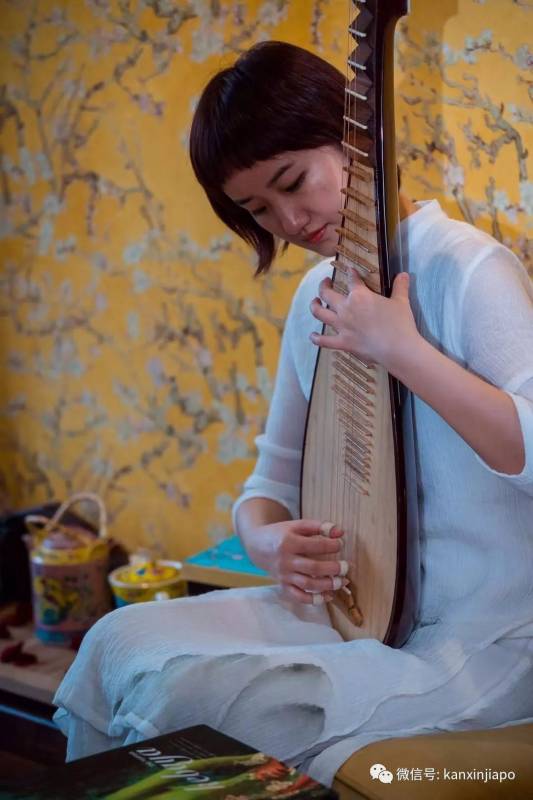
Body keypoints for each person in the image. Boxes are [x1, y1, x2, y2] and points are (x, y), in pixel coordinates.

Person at [53, 42, 533, 785]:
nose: (288, 220)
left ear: (354, 141)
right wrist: (268, 542)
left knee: (198, 697)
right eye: (257, 209)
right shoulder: (316, 296)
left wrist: (404, 352)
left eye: (292, 182)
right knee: (117, 641)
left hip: (486, 640)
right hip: (358, 616)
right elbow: (265, 488)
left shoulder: (468, 269)